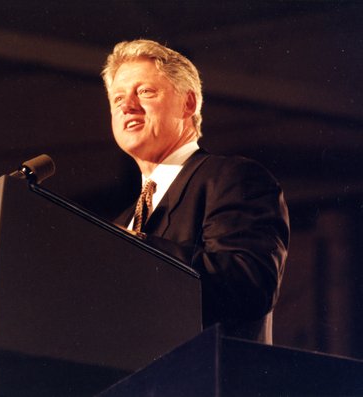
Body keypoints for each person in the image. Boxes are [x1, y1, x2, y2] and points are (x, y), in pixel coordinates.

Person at [101, 39, 290, 343]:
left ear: (188, 104)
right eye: (117, 98)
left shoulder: (232, 178)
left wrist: (138, 250)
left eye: (145, 92)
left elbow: (250, 283)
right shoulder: (120, 223)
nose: (127, 105)